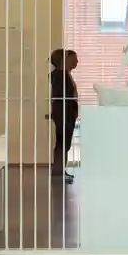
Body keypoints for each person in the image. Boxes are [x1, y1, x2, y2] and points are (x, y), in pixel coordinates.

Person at [49, 48, 79, 185]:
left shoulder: (64, 74)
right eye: (74, 59)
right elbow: (60, 97)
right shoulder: (59, 76)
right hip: (64, 115)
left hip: (66, 115)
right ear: (65, 60)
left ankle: (60, 171)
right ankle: (58, 173)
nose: (77, 62)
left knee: (64, 144)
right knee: (62, 144)